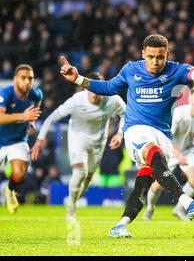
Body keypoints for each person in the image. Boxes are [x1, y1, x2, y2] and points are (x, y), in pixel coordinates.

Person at [59, 34, 194, 237]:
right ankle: (188, 203)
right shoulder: (131, 70)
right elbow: (108, 87)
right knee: (152, 152)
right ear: (143, 54)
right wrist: (78, 79)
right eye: (150, 57)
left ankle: (120, 225)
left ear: (167, 54)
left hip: (163, 134)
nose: (155, 62)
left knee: (144, 183)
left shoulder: (177, 70)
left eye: (160, 57)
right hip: (135, 130)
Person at [31, 72, 125, 220]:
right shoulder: (76, 101)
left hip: (98, 142)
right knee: (80, 172)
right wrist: (40, 139)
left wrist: (120, 133)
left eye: (97, 89)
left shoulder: (113, 100)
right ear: (84, 88)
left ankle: (73, 199)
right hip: (77, 138)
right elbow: (51, 118)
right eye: (90, 89)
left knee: (88, 178)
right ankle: (71, 207)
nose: (94, 93)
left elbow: (127, 115)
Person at [143, 86, 194, 221]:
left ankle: (179, 209)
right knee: (158, 185)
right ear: (190, 99)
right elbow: (167, 138)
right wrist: (178, 156)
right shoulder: (179, 113)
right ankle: (150, 207)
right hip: (170, 149)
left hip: (189, 151)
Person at [0, 64, 42, 214]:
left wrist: (31, 122)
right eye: (23, 78)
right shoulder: (5, 93)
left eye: (30, 78)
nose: (27, 82)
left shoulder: (36, 94)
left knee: (20, 173)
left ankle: (10, 190)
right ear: (15, 79)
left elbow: (36, 108)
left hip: (18, 140)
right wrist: (23, 117)